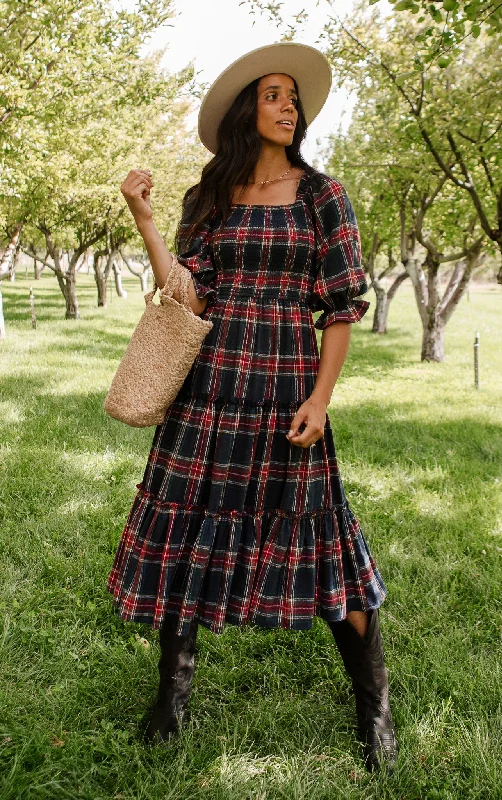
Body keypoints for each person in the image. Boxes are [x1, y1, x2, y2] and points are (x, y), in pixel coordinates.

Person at [109, 42, 397, 772]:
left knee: (324, 540)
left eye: (292, 98)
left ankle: (374, 709)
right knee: (184, 534)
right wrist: (143, 215)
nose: (287, 105)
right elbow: (188, 293)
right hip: (208, 391)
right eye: (273, 94)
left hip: (284, 391)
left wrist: (321, 398)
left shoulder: (322, 196)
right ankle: (172, 696)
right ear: (246, 110)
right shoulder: (207, 196)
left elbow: (340, 308)